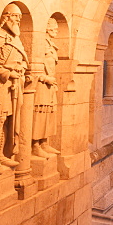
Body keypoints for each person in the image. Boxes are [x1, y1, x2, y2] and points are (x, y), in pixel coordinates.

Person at [0, 4, 27, 174]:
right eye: (15, 16)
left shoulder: (15, 38)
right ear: (6, 16)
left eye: (20, 18)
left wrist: (20, 69)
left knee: (7, 119)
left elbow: (24, 60)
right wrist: (7, 72)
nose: (18, 20)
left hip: (13, 86)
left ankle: (0, 154)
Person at [32, 17, 62, 157]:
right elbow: (34, 68)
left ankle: (44, 142)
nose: (55, 31)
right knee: (39, 114)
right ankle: (35, 145)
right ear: (47, 28)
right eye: (53, 28)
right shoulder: (40, 44)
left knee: (49, 114)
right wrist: (45, 78)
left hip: (50, 85)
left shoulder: (51, 45)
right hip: (41, 85)